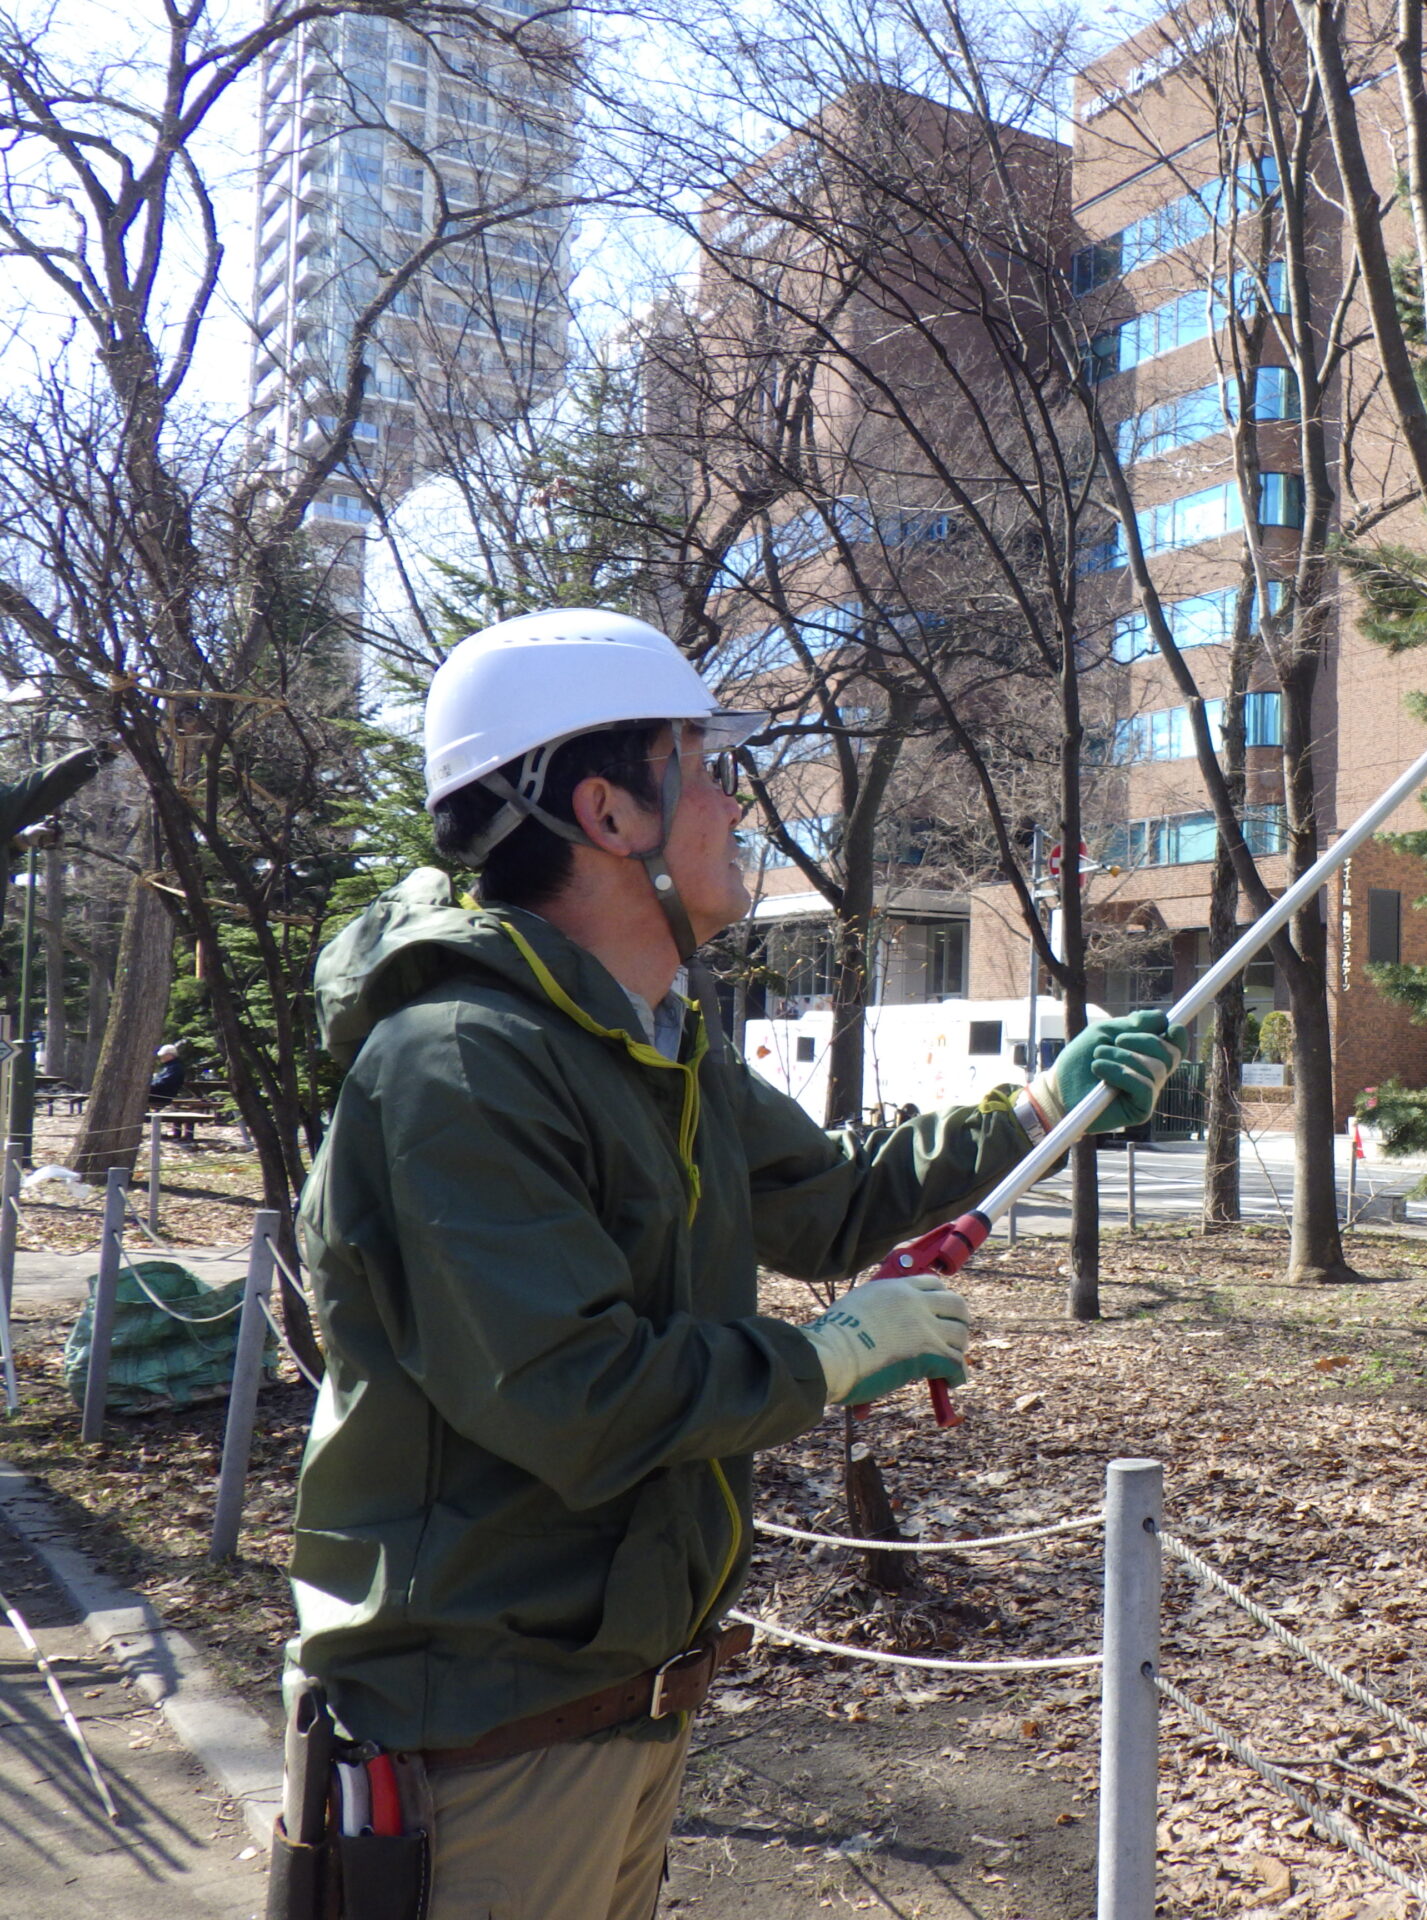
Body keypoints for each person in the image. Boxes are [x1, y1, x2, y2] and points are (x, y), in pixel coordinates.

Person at [277, 610, 1185, 1920]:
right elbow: (571, 1395)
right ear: (607, 812)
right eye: (706, 767)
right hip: (480, 1740)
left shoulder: (656, 1044)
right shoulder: (458, 1064)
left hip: (623, 1708)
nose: (737, 802)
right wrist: (826, 1360)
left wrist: (1044, 1108)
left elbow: (825, 1202)